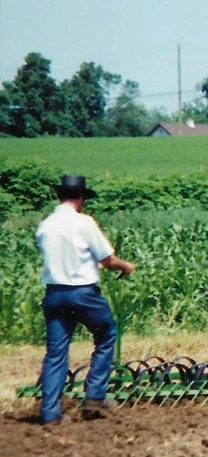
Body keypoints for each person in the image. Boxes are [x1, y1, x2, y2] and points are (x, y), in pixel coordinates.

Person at [36, 175, 136, 425]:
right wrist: (126, 267)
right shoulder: (84, 223)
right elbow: (107, 260)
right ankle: (94, 396)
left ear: (60, 196)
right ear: (80, 198)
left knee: (56, 352)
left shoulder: (45, 225)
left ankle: (50, 413)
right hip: (83, 294)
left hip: (55, 294)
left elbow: (59, 257)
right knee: (106, 335)